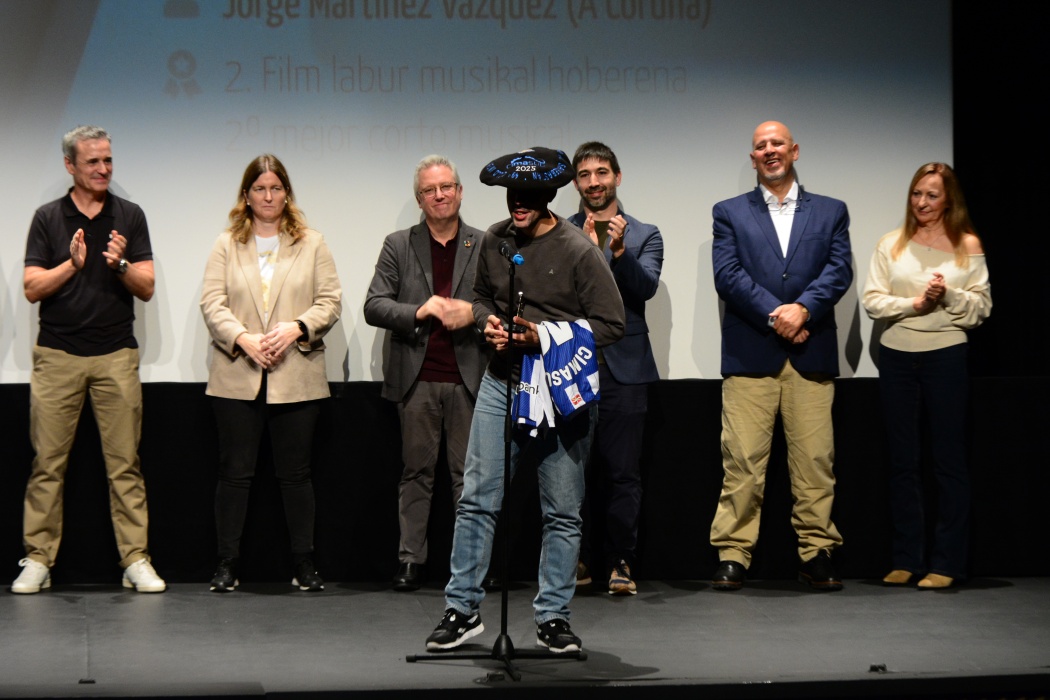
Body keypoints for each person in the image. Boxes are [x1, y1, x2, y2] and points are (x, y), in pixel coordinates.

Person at [425, 147, 624, 653]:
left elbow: (611, 323)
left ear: (549, 195)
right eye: (513, 194)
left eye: (529, 195)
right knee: (477, 498)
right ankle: (462, 608)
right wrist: (486, 321)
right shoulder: (495, 240)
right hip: (503, 382)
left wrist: (545, 336)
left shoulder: (578, 249)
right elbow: (480, 299)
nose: (518, 203)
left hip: (560, 389)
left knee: (562, 510)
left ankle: (553, 616)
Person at [12, 125, 166, 594]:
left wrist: (119, 264)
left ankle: (135, 559)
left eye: (108, 160)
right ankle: (39, 559)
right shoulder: (48, 218)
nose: (103, 169)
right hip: (58, 355)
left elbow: (147, 286)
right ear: (70, 165)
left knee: (124, 465)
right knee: (48, 464)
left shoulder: (129, 215)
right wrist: (72, 265)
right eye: (93, 161)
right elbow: (32, 288)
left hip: (116, 355)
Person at [708, 121, 852, 592]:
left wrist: (804, 308)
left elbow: (839, 269)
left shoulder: (831, 211)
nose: (769, 150)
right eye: (760, 146)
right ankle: (733, 554)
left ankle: (817, 553)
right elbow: (727, 275)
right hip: (751, 354)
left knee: (815, 463)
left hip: (811, 352)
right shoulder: (729, 212)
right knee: (743, 462)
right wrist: (778, 314)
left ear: (794, 151)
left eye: (777, 143)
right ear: (752, 158)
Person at [200, 154, 342, 593]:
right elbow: (212, 303)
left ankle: (304, 562)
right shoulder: (227, 243)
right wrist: (242, 338)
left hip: (295, 372)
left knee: (296, 475)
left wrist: (297, 327)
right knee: (234, 474)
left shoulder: (312, 243)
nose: (268, 196)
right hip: (236, 372)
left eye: (275, 188)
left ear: (286, 193)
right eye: (259, 189)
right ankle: (227, 563)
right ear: (246, 195)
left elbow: (330, 301)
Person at [862, 163, 991, 589]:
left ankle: (946, 562)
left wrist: (947, 294)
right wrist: (914, 305)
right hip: (897, 357)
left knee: (947, 461)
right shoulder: (891, 243)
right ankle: (906, 558)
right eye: (917, 194)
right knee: (903, 461)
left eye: (932, 195)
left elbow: (981, 308)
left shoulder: (967, 245)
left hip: (946, 356)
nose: (922, 202)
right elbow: (873, 300)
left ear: (949, 200)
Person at [364, 155, 489, 592]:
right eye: (429, 190)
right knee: (416, 473)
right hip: (416, 379)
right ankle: (410, 560)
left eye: (446, 187)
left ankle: (472, 566)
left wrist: (471, 312)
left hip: (471, 378)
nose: (439, 195)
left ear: (460, 191)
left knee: (469, 479)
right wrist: (420, 310)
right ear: (419, 199)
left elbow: (501, 305)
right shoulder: (398, 244)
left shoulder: (485, 243)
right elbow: (374, 305)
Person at [568, 141, 663, 595]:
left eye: (602, 172)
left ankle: (620, 561)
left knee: (623, 473)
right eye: (585, 175)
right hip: (573, 367)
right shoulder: (561, 233)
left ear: (617, 177)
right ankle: (579, 558)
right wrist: (588, 252)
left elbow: (644, 290)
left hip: (626, 371)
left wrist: (619, 253)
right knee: (571, 474)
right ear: (575, 183)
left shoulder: (645, 234)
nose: (594, 182)